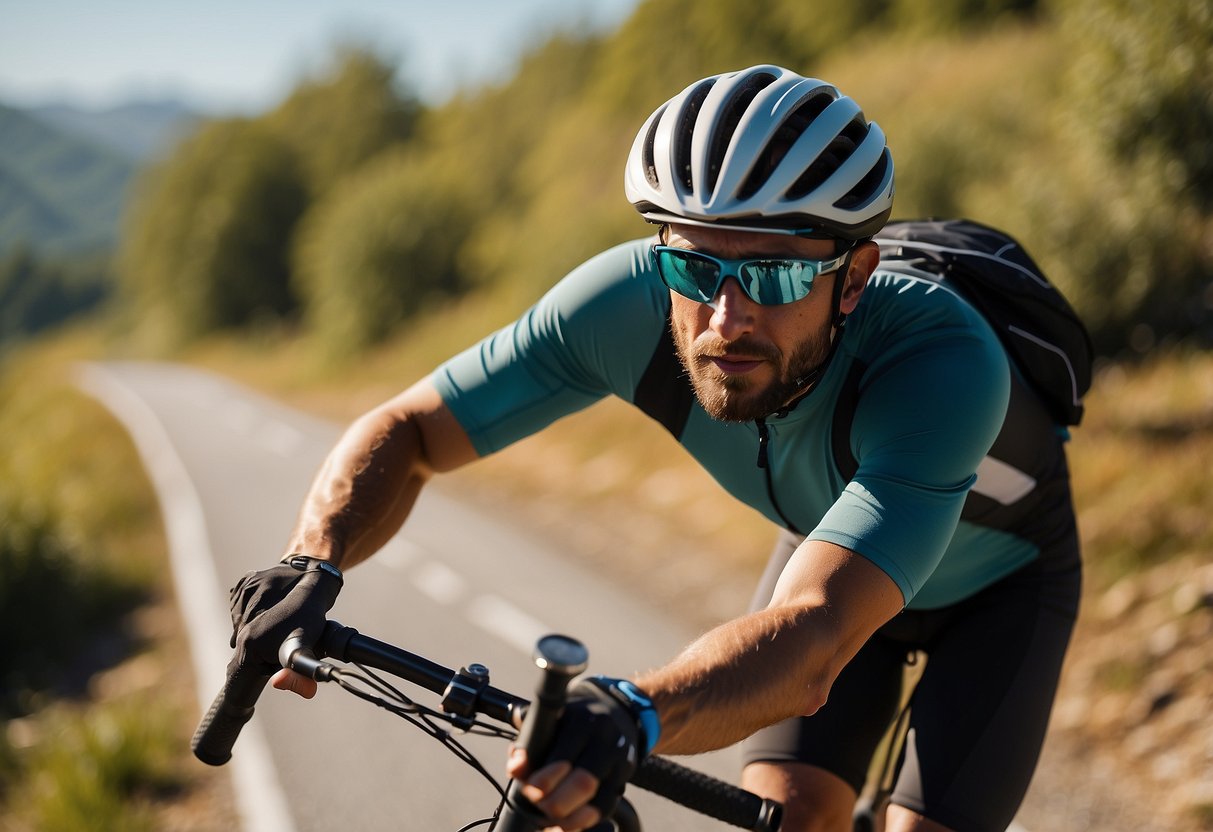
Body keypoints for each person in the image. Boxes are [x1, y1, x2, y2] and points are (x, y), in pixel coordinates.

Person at [228, 65, 1082, 832]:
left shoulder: (942, 362)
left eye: (778, 275)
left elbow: (816, 635)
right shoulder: (623, 304)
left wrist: (631, 711)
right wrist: (311, 562)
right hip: (830, 535)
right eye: (696, 267)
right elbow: (411, 428)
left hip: (995, 590)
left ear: (853, 279)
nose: (726, 317)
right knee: (794, 813)